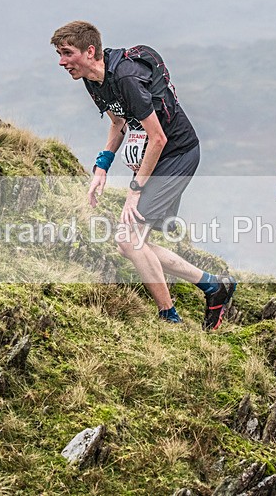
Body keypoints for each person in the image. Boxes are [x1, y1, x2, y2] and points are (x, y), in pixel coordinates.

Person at [51, 21, 236, 329]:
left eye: (67, 53)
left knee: (128, 240)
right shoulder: (93, 79)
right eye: (59, 54)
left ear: (90, 51)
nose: (61, 62)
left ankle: (168, 316)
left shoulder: (126, 77)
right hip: (157, 157)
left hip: (176, 155)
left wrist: (134, 191)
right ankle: (214, 286)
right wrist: (102, 167)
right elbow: (118, 123)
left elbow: (158, 138)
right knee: (133, 243)